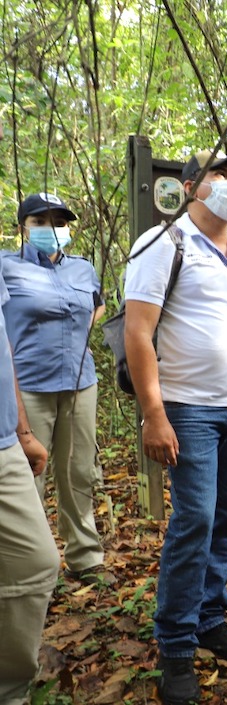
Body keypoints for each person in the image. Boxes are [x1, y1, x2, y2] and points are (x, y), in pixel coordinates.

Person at [124, 149, 227, 705]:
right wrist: (154, 415)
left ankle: (208, 617)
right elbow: (137, 334)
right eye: (220, 174)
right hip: (187, 408)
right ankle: (175, 646)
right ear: (192, 185)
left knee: (226, 513)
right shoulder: (162, 245)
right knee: (194, 518)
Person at [1, 193, 107, 583]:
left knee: (78, 471)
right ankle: (29, 566)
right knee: (29, 477)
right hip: (28, 388)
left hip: (81, 384)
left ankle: (85, 557)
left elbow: (97, 305)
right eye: (40, 221)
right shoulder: (5, 267)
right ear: (22, 228)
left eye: (59, 221)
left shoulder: (82, 269)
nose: (52, 229)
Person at [0, 256, 61, 705]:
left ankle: (11, 690)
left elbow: (3, 351)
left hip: (3, 442)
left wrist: (21, 431)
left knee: (37, 563)